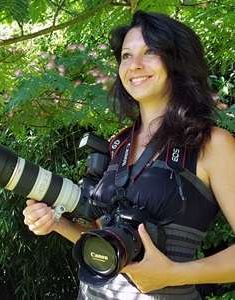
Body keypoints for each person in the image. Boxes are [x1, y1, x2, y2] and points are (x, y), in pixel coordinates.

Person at [22, 10, 235, 300]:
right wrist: (56, 223)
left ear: (178, 62)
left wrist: (175, 274)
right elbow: (106, 238)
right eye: (125, 56)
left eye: (150, 52)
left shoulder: (212, 143)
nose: (134, 65)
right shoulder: (118, 144)